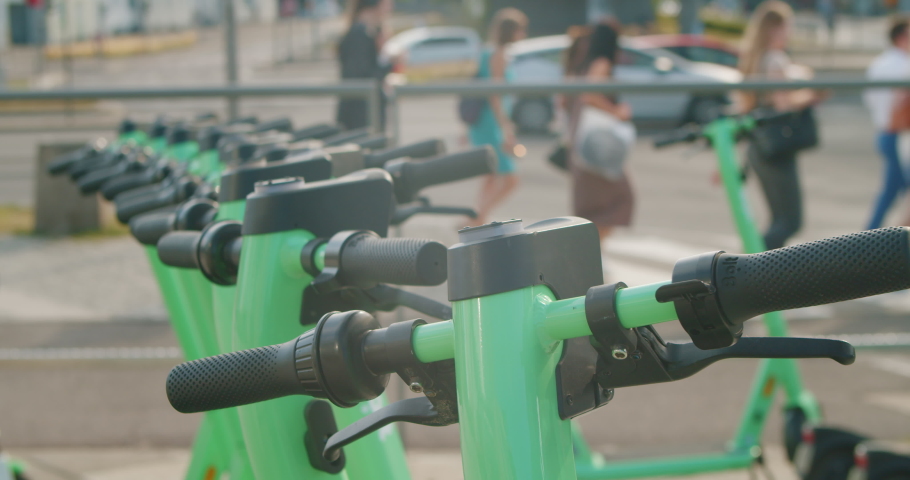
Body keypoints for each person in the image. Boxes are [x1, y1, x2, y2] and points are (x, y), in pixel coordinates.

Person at [737, 0, 827, 250]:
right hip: (776, 148)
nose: (790, 33)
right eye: (788, 27)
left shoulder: (756, 58)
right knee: (789, 221)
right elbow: (782, 103)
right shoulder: (775, 60)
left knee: (779, 218)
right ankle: (751, 270)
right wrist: (812, 94)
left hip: (761, 147)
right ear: (775, 28)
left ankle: (756, 270)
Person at [562, 22, 635, 263]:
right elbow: (590, 95)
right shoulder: (601, 64)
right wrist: (616, 111)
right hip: (596, 145)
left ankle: (588, 254)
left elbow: (566, 101)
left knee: (592, 206)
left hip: (581, 141)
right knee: (621, 199)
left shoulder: (579, 65)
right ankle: (586, 255)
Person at [468, 8, 527, 226]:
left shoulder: (487, 52)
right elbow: (495, 95)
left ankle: (478, 216)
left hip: (485, 120)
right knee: (510, 177)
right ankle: (478, 216)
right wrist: (506, 128)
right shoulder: (499, 54)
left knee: (490, 174)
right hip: (492, 121)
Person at [864, 18, 910, 230]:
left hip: (884, 131)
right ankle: (870, 237)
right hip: (900, 133)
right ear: (901, 37)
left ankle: (869, 235)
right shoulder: (904, 65)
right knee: (894, 190)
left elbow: (870, 98)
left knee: (892, 190)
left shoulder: (879, 63)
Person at [336, 0, 393, 130]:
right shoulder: (360, 33)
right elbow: (363, 76)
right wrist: (390, 63)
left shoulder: (365, 32)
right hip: (361, 117)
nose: (390, 7)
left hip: (362, 114)